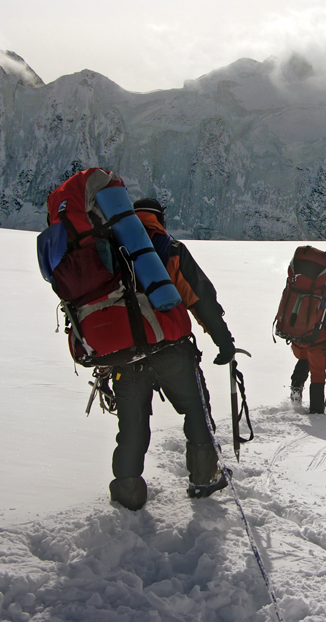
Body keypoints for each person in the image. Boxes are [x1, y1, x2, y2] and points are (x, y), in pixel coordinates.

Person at [107, 198, 237, 511]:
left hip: (126, 356)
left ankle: (128, 492)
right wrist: (224, 341)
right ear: (159, 219)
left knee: (132, 424)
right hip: (172, 351)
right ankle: (204, 478)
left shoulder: (108, 250)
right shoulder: (170, 249)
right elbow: (200, 299)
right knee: (195, 409)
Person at [284, 248, 326, 414]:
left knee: (304, 359)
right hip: (315, 337)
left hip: (296, 334)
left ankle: (296, 390)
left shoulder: (296, 282)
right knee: (318, 373)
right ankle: (317, 411)